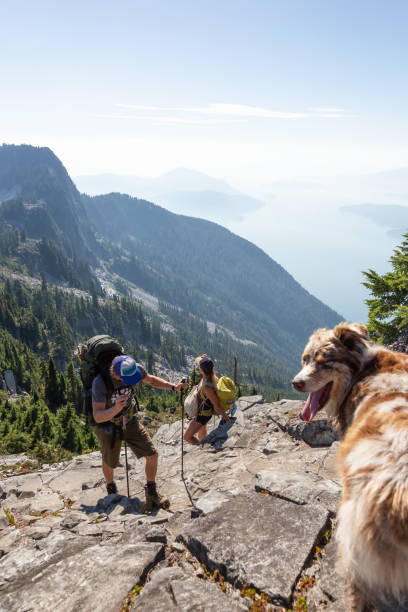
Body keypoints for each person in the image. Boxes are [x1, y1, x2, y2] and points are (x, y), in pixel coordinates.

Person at [92, 354, 187, 508]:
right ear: (115, 374)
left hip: (129, 420)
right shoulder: (100, 383)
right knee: (110, 461)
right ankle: (111, 488)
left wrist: (173, 387)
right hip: (108, 425)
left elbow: (150, 380)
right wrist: (116, 408)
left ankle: (151, 490)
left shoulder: (134, 369)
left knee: (152, 455)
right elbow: (97, 416)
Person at [184, 354, 231, 445]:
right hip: (202, 410)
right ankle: (203, 442)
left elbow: (216, 404)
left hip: (203, 415)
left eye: (199, 367)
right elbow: (200, 361)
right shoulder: (210, 376)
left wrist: (226, 418)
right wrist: (203, 358)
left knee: (187, 437)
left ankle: (201, 447)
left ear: (202, 370)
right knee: (202, 430)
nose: (198, 368)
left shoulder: (207, 387)